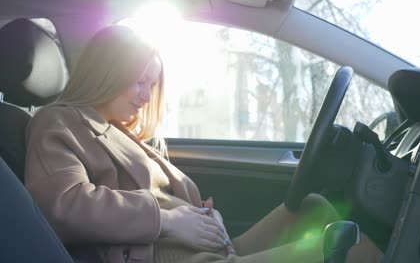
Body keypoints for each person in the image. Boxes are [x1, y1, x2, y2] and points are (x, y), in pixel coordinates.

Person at [24, 25, 382, 263]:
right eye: (139, 82)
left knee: (313, 207)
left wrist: (201, 213)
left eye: (152, 85)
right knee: (355, 250)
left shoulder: (122, 132)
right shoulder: (58, 121)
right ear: (107, 72)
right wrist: (168, 221)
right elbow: (63, 206)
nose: (147, 96)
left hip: (206, 249)